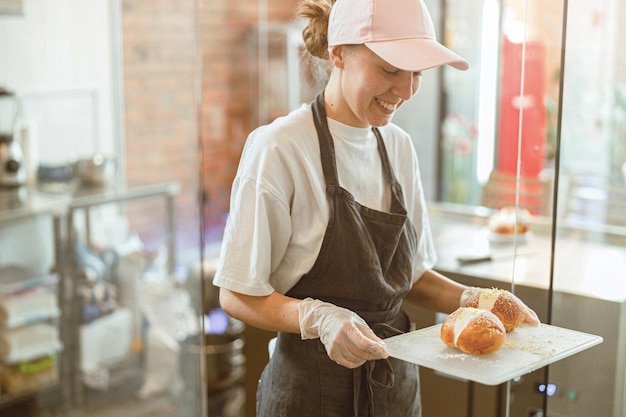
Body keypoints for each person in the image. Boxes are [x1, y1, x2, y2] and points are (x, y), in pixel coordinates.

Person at [213, 0, 540, 415]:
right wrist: (320, 318)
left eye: (416, 73)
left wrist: (477, 298)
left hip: (394, 388)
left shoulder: (398, 146)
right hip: (311, 394)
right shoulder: (280, 147)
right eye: (390, 70)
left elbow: (412, 275)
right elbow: (237, 293)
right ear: (338, 54)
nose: (405, 91)